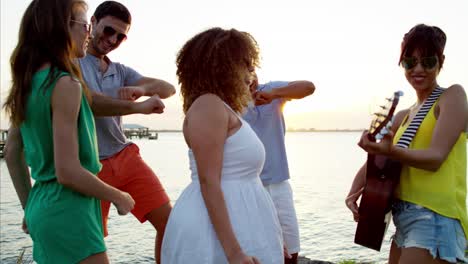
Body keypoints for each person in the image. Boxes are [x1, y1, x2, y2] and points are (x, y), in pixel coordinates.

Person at [2, 0, 136, 263]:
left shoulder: (27, 83)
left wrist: (30, 208)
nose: (89, 32)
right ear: (60, 28)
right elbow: (68, 172)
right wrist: (118, 196)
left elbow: (11, 151)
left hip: (42, 206)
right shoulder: (65, 84)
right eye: (85, 25)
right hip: (71, 211)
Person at [346, 24, 467, 264]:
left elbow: (435, 158)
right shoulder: (403, 115)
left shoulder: (452, 96)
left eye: (428, 61)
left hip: (435, 217)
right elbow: (379, 158)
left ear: (441, 61)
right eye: (410, 63)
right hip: (403, 218)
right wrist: (354, 191)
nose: (418, 69)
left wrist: (392, 151)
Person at [161, 27, 284, 264]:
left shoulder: (224, 109)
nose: (251, 71)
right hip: (214, 232)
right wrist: (235, 253)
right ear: (224, 67)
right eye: (245, 64)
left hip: (242, 221)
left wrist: (269, 234)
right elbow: (209, 181)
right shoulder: (208, 106)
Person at [78, 1, 176, 263]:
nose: (112, 40)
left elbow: (168, 88)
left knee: (172, 225)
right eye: (108, 30)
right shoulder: (70, 63)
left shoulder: (120, 71)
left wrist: (143, 89)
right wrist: (138, 107)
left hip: (126, 158)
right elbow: (90, 103)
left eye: (120, 36)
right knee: (91, 245)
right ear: (94, 22)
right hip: (88, 167)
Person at [243, 74, 315, 264]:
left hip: (279, 184)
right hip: (247, 187)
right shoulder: (227, 102)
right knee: (255, 249)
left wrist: (274, 94)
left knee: (291, 249)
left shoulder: (271, 89)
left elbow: (308, 87)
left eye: (252, 68)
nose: (251, 75)